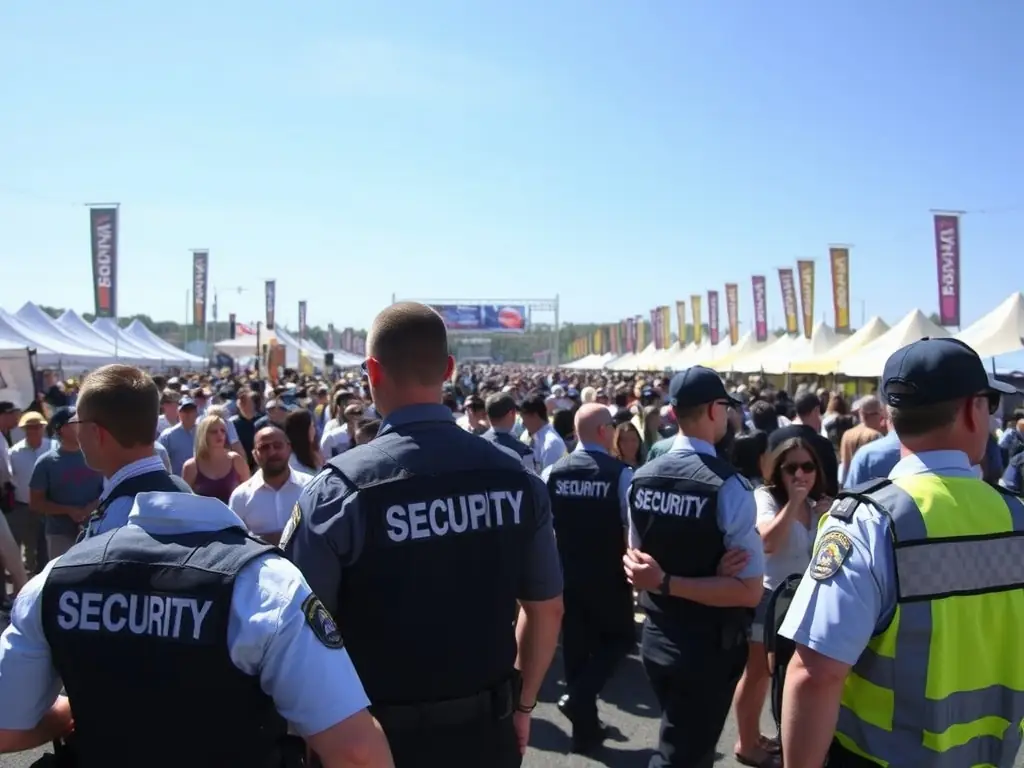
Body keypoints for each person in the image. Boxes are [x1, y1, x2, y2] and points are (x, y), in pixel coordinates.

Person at [283, 302, 564, 768]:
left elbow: (301, 636)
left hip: (375, 744)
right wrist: (524, 705)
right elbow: (547, 609)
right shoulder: (517, 479)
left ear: (372, 370)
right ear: (449, 370)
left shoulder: (339, 490)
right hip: (485, 735)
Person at [0, 489, 394, 767]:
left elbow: (7, 728)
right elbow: (356, 752)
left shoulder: (55, 579)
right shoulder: (265, 583)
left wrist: (72, 712)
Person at [779, 337, 1023, 768]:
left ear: (890, 417)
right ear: (973, 409)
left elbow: (816, 673)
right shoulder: (1016, 518)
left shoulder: (867, 522)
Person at [622, 366, 765, 768]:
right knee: (681, 755)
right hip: (705, 646)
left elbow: (636, 563)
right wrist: (683, 579)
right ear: (713, 409)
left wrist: (666, 579)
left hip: (657, 637)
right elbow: (749, 591)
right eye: (725, 406)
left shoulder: (641, 478)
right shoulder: (729, 487)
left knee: (685, 745)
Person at [542, 403, 635, 753]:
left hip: (567, 576)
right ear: (602, 431)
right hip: (609, 577)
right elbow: (632, 530)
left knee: (577, 654)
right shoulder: (620, 474)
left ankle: (585, 731)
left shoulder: (554, 472)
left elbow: (543, 528)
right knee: (621, 640)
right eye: (611, 426)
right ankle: (579, 699)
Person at [74, 365, 194, 541]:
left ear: (95, 433)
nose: (76, 433)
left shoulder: (115, 522)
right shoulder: (186, 493)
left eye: (77, 422)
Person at [29, 407, 104, 559]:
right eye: (76, 422)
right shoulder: (46, 463)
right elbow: (36, 502)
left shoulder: (98, 454)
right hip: (59, 534)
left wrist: (94, 506)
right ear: (61, 429)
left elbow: (111, 488)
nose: (83, 426)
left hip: (98, 529)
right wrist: (68, 510)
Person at [229, 425, 313, 545]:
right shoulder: (241, 496)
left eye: (278, 446)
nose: (272, 452)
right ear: (255, 455)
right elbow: (234, 540)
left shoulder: (311, 487)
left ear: (289, 448)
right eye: (264, 447)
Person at [481, 392, 537, 472]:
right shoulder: (523, 450)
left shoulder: (475, 444)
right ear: (512, 413)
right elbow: (532, 481)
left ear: (487, 415)